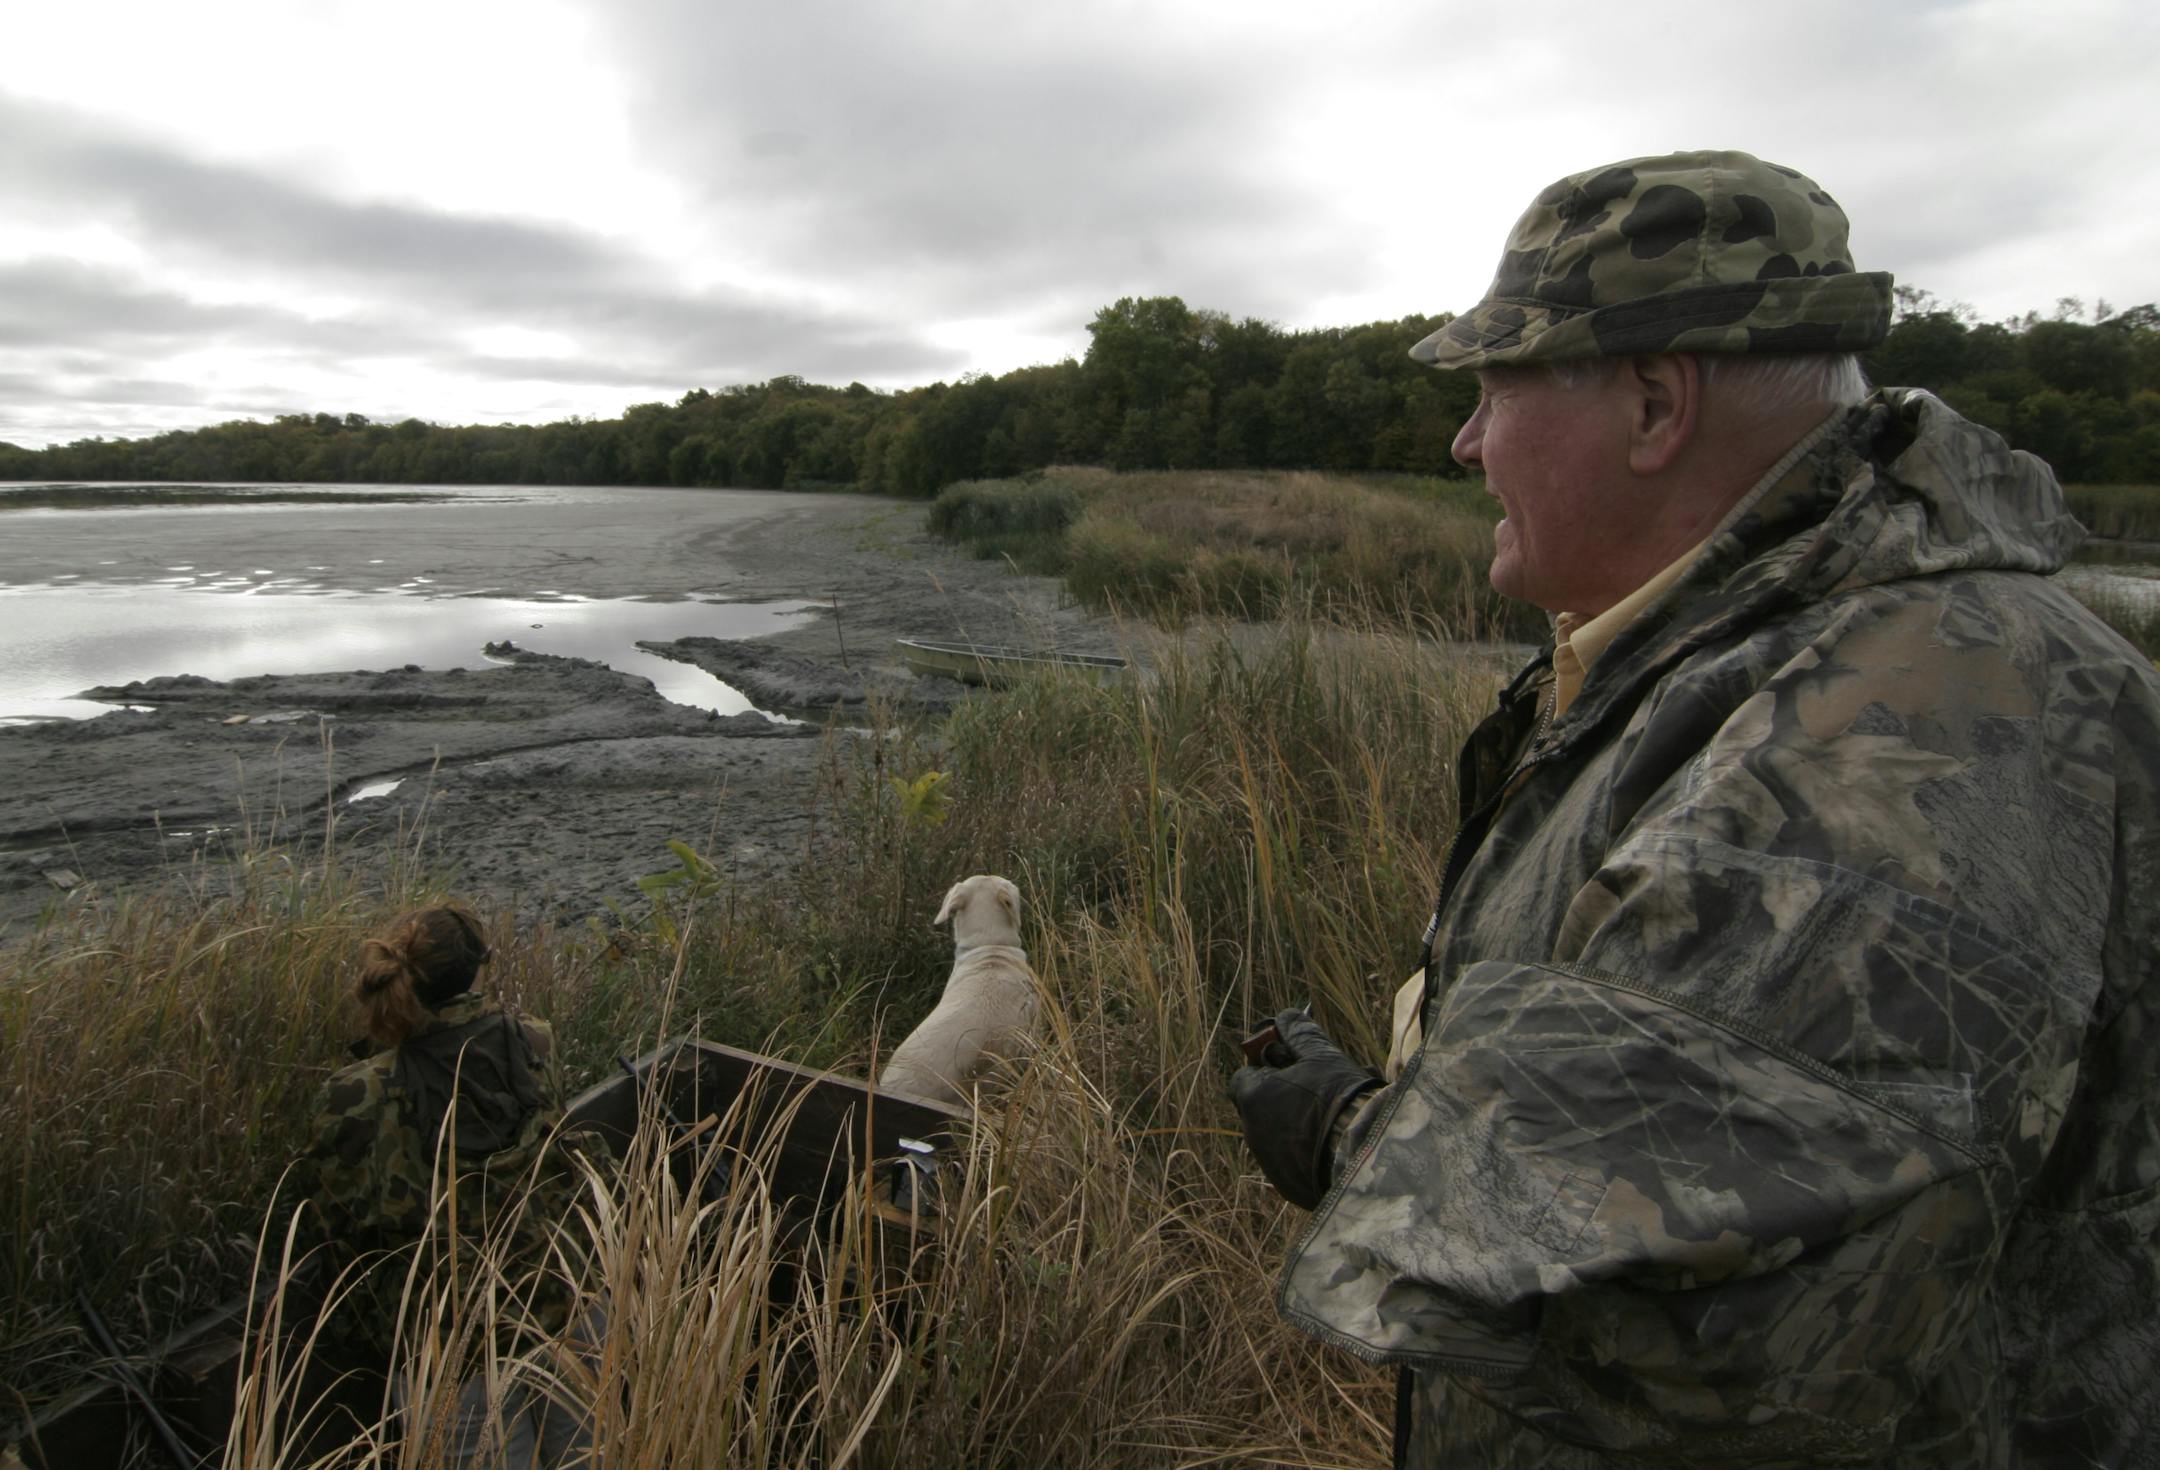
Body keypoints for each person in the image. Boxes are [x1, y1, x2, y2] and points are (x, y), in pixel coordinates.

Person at [1230, 150, 2160, 1468]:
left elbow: (1699, 1328)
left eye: (1494, 392)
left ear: (1656, 404)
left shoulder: (1893, 730)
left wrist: (1344, 1139)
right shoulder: (1770, 654)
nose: (1463, 442)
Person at [302, 903, 600, 1467]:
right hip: (565, 1301)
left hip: (455, 1344)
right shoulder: (533, 1043)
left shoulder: (356, 1095)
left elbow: (338, 1227)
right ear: (479, 970)